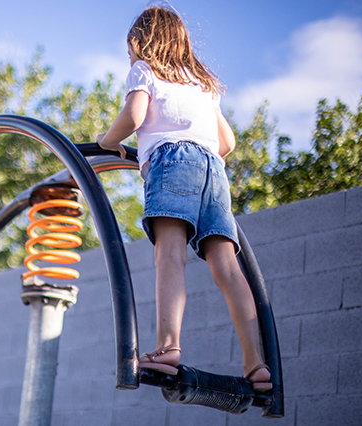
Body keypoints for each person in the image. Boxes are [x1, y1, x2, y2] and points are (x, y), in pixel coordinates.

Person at [96, 5, 271, 392]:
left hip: (171, 162)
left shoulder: (145, 69)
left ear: (142, 43)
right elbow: (228, 142)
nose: (130, 58)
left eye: (130, 50)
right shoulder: (201, 83)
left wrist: (107, 142)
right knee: (227, 266)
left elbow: (135, 114)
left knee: (169, 255)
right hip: (213, 170)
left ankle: (167, 346)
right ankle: (255, 363)